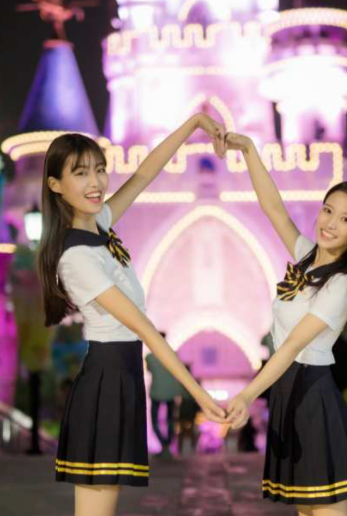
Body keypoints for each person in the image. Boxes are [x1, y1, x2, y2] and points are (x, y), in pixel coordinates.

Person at [38, 114, 229, 516]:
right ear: (55, 185)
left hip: (120, 377)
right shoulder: (77, 257)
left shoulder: (99, 227)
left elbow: (144, 174)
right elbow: (144, 328)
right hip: (105, 382)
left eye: (99, 169)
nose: (95, 182)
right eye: (80, 173)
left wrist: (194, 123)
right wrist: (198, 394)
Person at [222, 132, 347, 516]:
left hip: (313, 396)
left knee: (326, 509)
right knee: (306, 510)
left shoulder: (343, 285)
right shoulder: (306, 259)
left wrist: (247, 396)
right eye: (328, 210)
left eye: (345, 219)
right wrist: (249, 150)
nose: (330, 223)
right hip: (289, 396)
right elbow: (274, 209)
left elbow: (291, 347)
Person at [145, 338, 181, 458]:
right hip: (171, 391)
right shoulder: (174, 355)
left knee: (155, 421)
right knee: (170, 420)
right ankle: (168, 445)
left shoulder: (149, 357)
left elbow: (149, 370)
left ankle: (163, 444)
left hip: (156, 391)